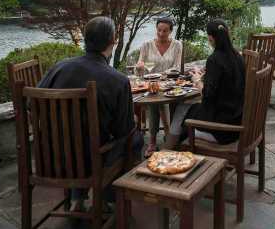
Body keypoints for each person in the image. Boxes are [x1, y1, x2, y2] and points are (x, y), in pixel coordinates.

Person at [38, 16, 143, 211]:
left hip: (50, 158)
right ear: (113, 41)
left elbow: (31, 105)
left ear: (86, 39)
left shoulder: (58, 68)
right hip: (89, 164)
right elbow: (123, 131)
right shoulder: (117, 80)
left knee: (80, 139)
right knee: (135, 138)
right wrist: (134, 120)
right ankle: (105, 200)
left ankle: (78, 199)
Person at [163, 19, 245, 149]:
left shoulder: (214, 59)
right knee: (191, 109)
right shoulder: (238, 56)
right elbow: (226, 81)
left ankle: (168, 149)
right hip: (237, 119)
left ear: (211, 37)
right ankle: (176, 144)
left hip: (222, 130)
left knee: (181, 109)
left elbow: (207, 95)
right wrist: (207, 75)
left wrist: (197, 80)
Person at [136, 17, 182, 157]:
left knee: (167, 101)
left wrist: (163, 76)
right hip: (151, 84)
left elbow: (177, 67)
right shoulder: (147, 45)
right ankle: (153, 141)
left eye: (165, 31)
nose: (161, 33)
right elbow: (140, 67)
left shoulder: (177, 45)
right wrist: (140, 67)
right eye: (159, 30)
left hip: (170, 84)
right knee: (153, 101)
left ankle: (170, 135)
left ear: (170, 31)